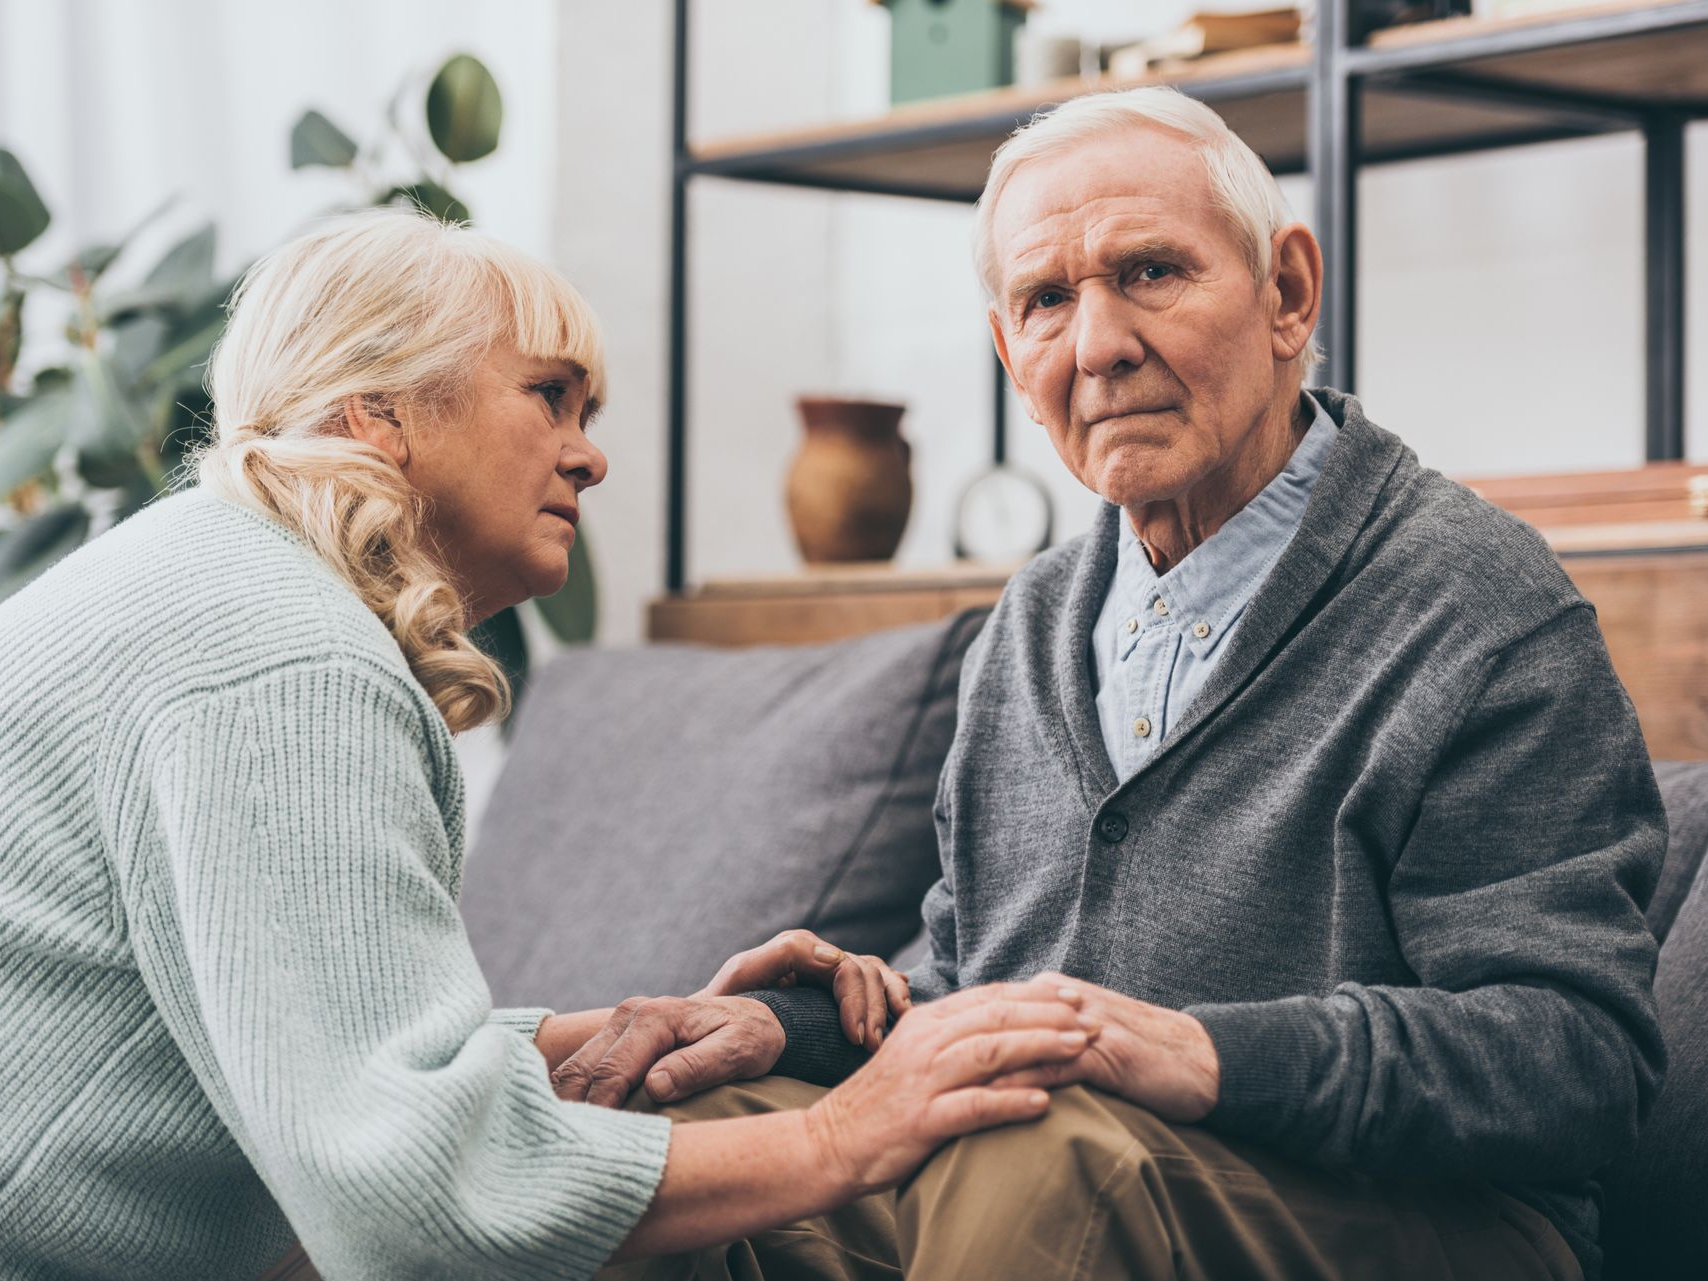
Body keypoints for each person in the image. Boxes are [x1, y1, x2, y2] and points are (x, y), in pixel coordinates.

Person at [582, 87, 1666, 1281]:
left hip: (1422, 1221)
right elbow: (975, 990)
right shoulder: (1034, 619)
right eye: (1046, 300)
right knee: (659, 1157)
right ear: (1010, 350)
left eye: (1148, 273)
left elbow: (1577, 1059)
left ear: (1287, 295)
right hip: (1053, 1177)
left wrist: (1201, 1054)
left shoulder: (1475, 600)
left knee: (1037, 1152)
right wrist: (779, 1032)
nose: (1096, 344)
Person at [0, 209, 1100, 1281]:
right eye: (549, 398)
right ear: (376, 414)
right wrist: (848, 1134)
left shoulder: (207, 582)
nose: (591, 459)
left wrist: (623, 1030)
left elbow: (318, 1048)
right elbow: (412, 1205)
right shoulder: (283, 660)